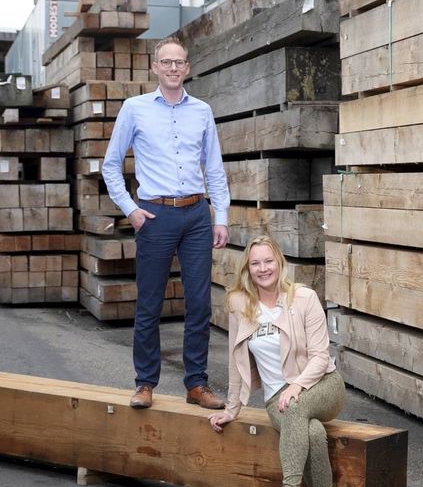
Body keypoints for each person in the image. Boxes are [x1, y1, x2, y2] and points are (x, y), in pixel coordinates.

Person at [102, 35, 230, 410]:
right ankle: (145, 383)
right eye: (166, 62)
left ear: (187, 68)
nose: (173, 68)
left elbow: (215, 168)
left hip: (195, 215)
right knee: (150, 304)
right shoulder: (134, 109)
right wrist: (131, 209)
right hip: (154, 216)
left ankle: (196, 384)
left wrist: (220, 216)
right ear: (155, 67)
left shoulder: (202, 111)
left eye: (180, 62)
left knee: (200, 304)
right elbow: (110, 165)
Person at [208, 235, 345, 487]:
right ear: (247, 269)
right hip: (276, 398)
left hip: (323, 386)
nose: (263, 269)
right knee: (313, 432)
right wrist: (231, 409)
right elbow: (235, 361)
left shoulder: (304, 298)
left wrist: (297, 386)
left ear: (279, 263)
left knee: (294, 406)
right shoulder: (240, 304)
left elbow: (320, 356)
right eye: (255, 263)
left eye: (268, 261)